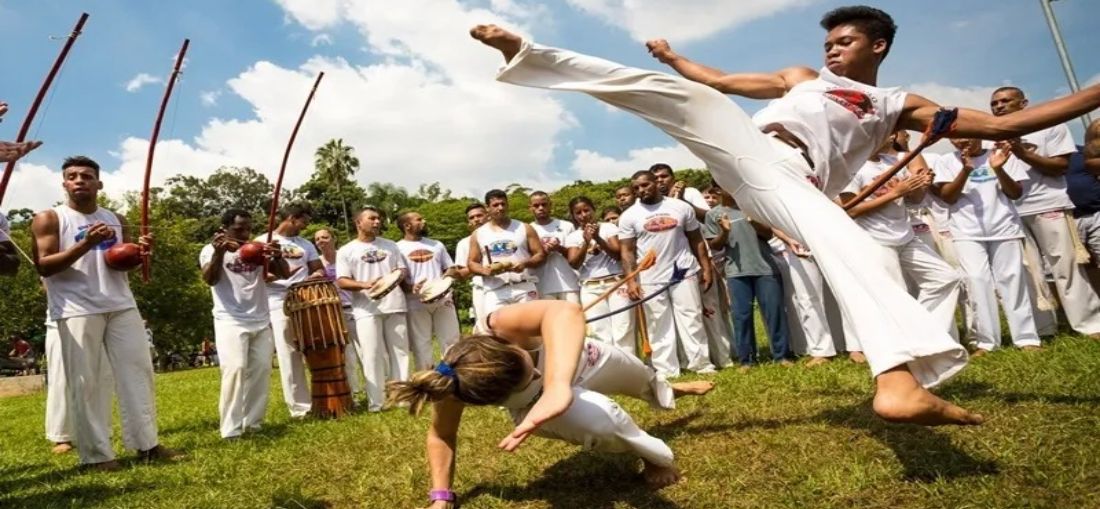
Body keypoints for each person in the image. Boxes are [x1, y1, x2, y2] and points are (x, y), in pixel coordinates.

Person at [469, 0, 1100, 423]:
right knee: (679, 94)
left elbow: (1009, 122)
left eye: (845, 41)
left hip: (791, 181)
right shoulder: (803, 76)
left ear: (877, 45)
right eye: (828, 41)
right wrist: (673, 60)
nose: (831, 50)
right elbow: (718, 82)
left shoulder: (899, 102)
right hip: (748, 148)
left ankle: (898, 383)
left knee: (853, 253)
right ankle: (527, 54)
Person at [387, 300, 716, 508]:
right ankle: (654, 458)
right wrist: (441, 498)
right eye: (521, 381)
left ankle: (669, 389)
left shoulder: (498, 324)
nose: (534, 372)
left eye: (523, 362)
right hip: (538, 408)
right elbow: (442, 435)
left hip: (584, 361)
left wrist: (557, 384)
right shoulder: (454, 385)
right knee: (601, 422)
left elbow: (563, 311)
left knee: (645, 380)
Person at [30, 155, 177, 470]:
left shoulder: (116, 218)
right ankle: (97, 456)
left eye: (86, 176)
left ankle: (147, 445)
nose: (79, 180)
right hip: (75, 308)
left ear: (99, 183)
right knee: (87, 383)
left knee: (138, 373)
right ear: (64, 183)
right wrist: (85, 245)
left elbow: (117, 263)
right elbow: (43, 266)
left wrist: (138, 253)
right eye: (72, 176)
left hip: (121, 303)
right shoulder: (50, 218)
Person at [990, 87, 1100, 338]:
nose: (999, 106)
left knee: (1066, 267)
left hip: (1049, 205)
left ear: (1024, 103)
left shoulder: (1051, 126)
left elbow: (1060, 167)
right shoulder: (991, 136)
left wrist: (1022, 153)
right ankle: (1044, 327)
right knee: (1030, 272)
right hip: (1012, 211)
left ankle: (1090, 324)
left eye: (1006, 101)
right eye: (995, 103)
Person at [839, 132, 964, 339]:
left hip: (905, 235)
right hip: (876, 240)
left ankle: (927, 336)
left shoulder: (892, 162)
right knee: (895, 295)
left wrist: (919, 185)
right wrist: (895, 193)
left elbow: (915, 200)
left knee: (946, 278)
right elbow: (850, 210)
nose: (890, 137)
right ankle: (903, 347)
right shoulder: (852, 166)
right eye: (885, 133)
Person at [932, 140, 1039, 355]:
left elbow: (1015, 193)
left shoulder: (1002, 155)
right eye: (956, 137)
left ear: (979, 134)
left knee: (1012, 280)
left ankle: (1027, 338)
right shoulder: (945, 161)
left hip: (1004, 228)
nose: (962, 140)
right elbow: (948, 197)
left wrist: (998, 169)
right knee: (976, 281)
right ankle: (986, 342)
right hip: (966, 231)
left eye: (967, 134)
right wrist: (965, 170)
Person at [616, 170, 715, 377]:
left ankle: (701, 364)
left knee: (691, 318)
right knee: (658, 324)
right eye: (636, 188)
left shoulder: (680, 207)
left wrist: (705, 267)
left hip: (683, 271)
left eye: (645, 185)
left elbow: (696, 240)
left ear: (655, 183)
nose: (641, 190)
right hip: (651, 277)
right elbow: (627, 251)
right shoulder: (629, 216)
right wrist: (631, 281)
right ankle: (667, 370)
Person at [200, 208, 288, 439]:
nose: (245, 234)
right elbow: (210, 279)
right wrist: (219, 253)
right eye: (239, 229)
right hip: (230, 319)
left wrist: (276, 256)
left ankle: (253, 423)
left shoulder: (256, 248)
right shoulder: (209, 250)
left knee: (261, 369)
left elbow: (283, 273)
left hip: (260, 317)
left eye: (248, 229)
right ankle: (230, 429)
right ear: (225, 229)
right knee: (235, 369)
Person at [704, 185, 791, 368]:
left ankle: (781, 356)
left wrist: (754, 221)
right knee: (741, 316)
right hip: (736, 272)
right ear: (718, 190)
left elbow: (768, 235)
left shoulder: (754, 207)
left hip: (765, 268)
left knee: (774, 313)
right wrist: (724, 231)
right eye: (727, 182)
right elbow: (716, 246)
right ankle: (747, 360)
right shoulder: (714, 214)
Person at [336, 206, 411, 412]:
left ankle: (401, 397)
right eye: (372, 218)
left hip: (395, 305)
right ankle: (376, 402)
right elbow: (342, 281)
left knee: (400, 352)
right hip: (365, 309)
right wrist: (364, 284)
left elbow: (401, 269)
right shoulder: (346, 250)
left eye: (379, 219)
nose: (377, 222)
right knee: (371, 354)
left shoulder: (391, 246)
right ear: (358, 223)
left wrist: (394, 277)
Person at [257, 202, 324, 418]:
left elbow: (317, 269)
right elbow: (255, 275)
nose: (306, 225)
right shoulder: (261, 241)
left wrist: (316, 275)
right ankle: (300, 408)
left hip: (304, 297)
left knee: (312, 347)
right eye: (304, 220)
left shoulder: (306, 244)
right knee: (289, 351)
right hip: (276, 299)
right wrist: (281, 275)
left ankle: (322, 398)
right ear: (292, 218)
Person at [564, 196, 636, 353]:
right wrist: (586, 242)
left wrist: (598, 238)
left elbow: (617, 254)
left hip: (615, 282)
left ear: (593, 210)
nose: (584, 215)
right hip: (591, 286)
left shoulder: (609, 228)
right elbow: (574, 263)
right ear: (574, 216)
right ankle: (611, 368)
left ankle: (630, 367)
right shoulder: (573, 236)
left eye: (586, 210)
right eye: (578, 213)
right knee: (600, 330)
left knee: (623, 327)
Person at [396, 211, 461, 369]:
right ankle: (428, 382)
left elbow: (451, 268)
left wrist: (446, 281)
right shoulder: (397, 248)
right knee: (421, 344)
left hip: (443, 300)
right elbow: (397, 278)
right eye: (419, 219)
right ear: (407, 225)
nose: (424, 221)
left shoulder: (436, 245)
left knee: (451, 341)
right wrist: (411, 288)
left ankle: (452, 378)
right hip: (415, 302)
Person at [467, 190, 547, 314]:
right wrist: (485, 270)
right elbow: (471, 262)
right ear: (487, 208)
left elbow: (540, 255)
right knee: (497, 330)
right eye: (496, 205)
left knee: (529, 329)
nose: (500, 208)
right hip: (495, 290)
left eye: (503, 204)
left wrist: (524, 263)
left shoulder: (524, 228)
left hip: (523, 286)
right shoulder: (478, 234)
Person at [314, 228, 365, 400]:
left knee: (366, 351)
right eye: (318, 239)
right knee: (346, 355)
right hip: (334, 312)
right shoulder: (317, 263)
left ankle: (378, 389)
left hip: (355, 307)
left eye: (325, 237)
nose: (321, 241)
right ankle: (354, 392)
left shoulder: (344, 256)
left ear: (334, 239)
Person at [529, 191, 580, 303]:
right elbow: (530, 260)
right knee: (550, 320)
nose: (541, 208)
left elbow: (575, 256)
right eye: (536, 205)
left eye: (544, 204)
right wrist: (544, 252)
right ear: (530, 208)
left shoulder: (567, 226)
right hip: (543, 286)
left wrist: (559, 248)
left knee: (573, 318)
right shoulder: (528, 229)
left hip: (569, 284)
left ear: (550, 205)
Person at [1067, 120, 1100, 277]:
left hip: (1095, 213)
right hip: (1068, 220)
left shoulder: (1083, 154)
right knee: (1079, 268)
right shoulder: (1043, 161)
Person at [453, 203, 489, 325]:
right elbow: (462, 274)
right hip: (481, 289)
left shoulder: (503, 235)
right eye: (472, 218)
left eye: (479, 215)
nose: (476, 219)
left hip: (508, 285)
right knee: (485, 328)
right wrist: (479, 267)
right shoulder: (464, 243)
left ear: (488, 216)